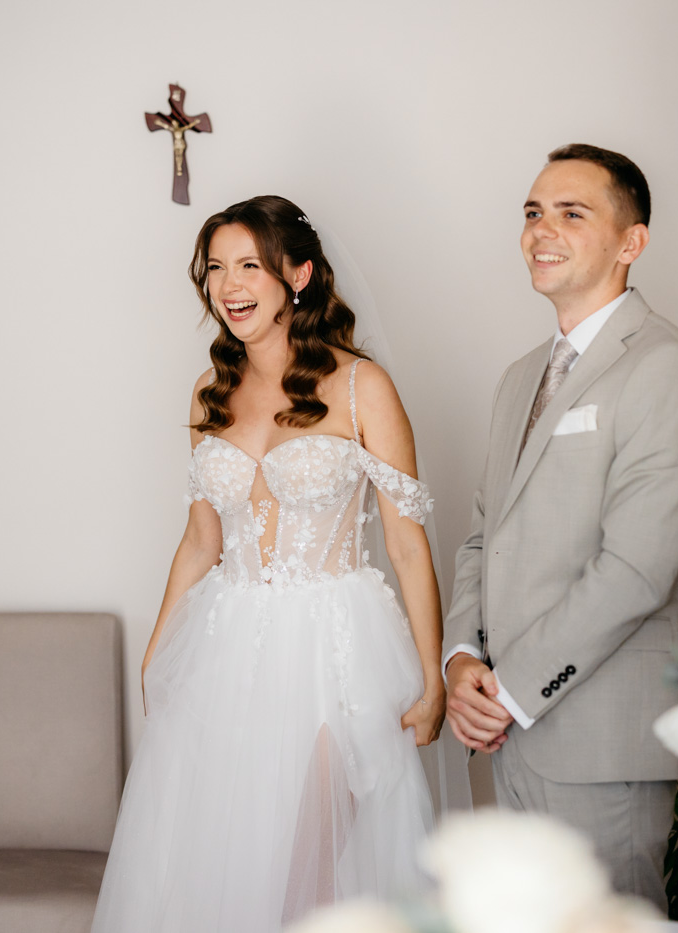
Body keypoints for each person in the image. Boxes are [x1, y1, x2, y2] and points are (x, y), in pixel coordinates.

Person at [91, 195, 446, 933]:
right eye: (216, 268)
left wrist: (432, 671)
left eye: (249, 264)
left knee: (311, 872)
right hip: (224, 649)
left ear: (299, 275)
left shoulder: (361, 386)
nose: (229, 285)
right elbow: (200, 540)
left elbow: (407, 543)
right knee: (221, 863)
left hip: (334, 648)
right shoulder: (210, 391)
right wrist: (158, 651)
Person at [442, 144, 678, 910]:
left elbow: (637, 570)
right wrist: (463, 659)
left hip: (601, 743)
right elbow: (484, 536)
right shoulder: (518, 379)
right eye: (533, 212)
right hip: (507, 730)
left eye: (572, 213)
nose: (542, 229)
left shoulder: (670, 369)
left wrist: (510, 690)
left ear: (632, 241)